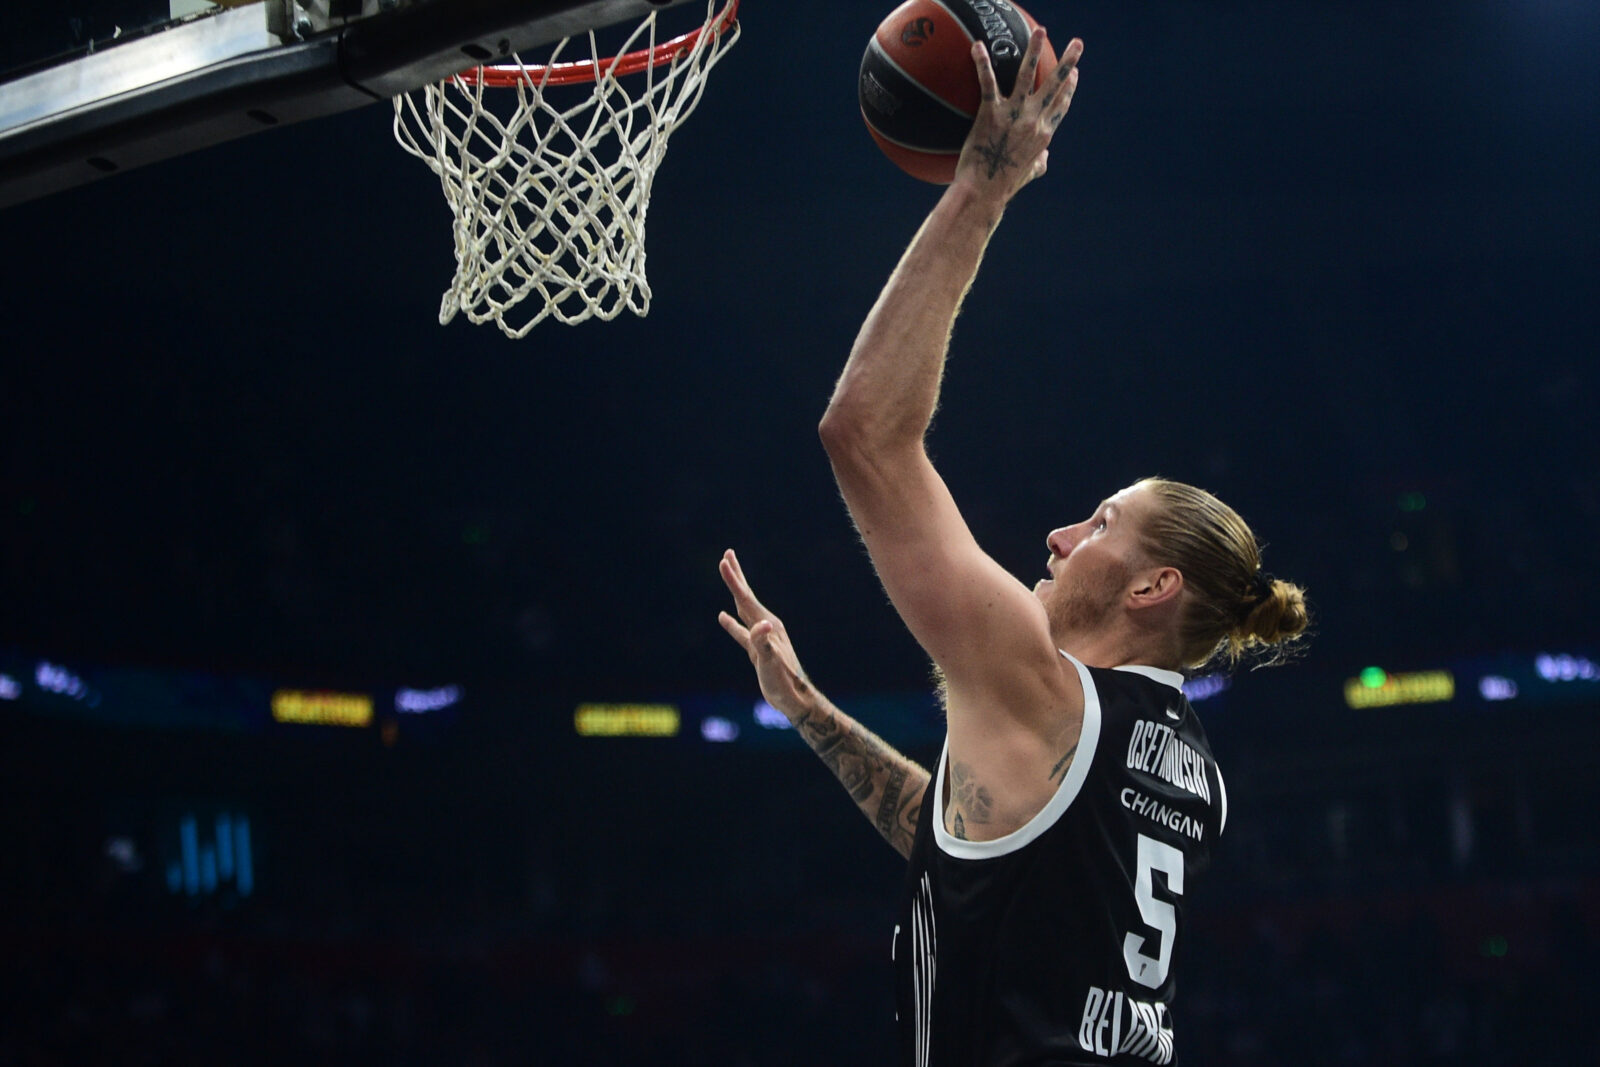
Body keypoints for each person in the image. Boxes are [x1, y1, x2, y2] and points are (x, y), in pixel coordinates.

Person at [718, 26, 1309, 1067]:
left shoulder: (1044, 692)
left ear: (1151, 585)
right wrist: (810, 714)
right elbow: (958, 836)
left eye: (1099, 523)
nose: (1060, 535)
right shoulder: (1193, 779)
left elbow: (864, 433)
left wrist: (979, 195)